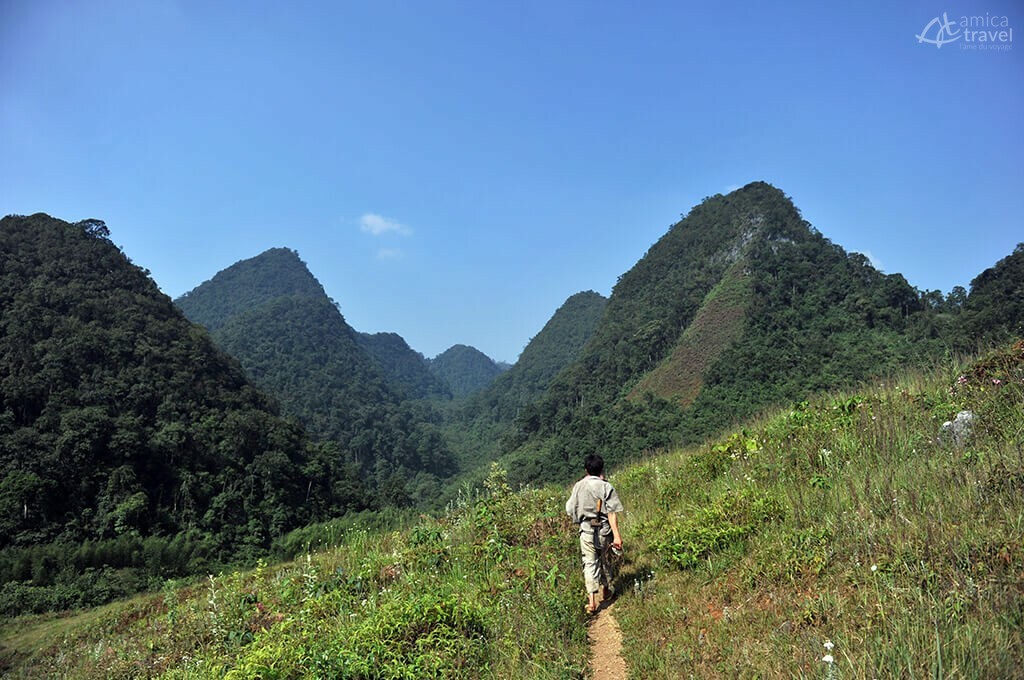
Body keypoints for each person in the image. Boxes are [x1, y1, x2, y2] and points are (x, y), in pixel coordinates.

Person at [565, 453, 623, 614]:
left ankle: (591, 601)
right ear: (601, 469)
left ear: (586, 470)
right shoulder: (606, 486)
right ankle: (605, 590)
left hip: (586, 530)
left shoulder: (578, 486)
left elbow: (569, 509)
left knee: (589, 562)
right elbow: (612, 513)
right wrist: (617, 536)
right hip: (604, 530)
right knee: (605, 560)